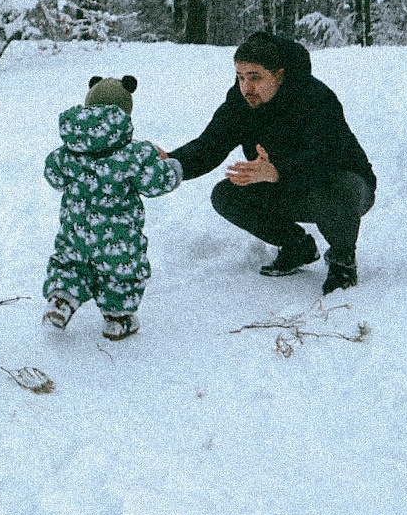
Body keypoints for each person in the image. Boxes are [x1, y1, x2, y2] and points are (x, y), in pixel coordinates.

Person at [167, 32, 376, 294]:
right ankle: (297, 246)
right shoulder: (241, 103)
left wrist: (278, 170)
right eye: (241, 77)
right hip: (284, 184)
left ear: (279, 75)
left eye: (255, 77)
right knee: (227, 195)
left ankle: (342, 260)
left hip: (343, 187)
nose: (247, 87)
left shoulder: (316, 98)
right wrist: (171, 163)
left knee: (337, 187)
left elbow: (326, 156)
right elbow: (210, 145)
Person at [42, 75, 183, 340]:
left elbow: (53, 175)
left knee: (71, 264)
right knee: (121, 271)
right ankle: (117, 319)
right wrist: (173, 168)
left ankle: (61, 300)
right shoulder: (136, 153)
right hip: (118, 237)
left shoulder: (67, 151)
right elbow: (156, 182)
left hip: (76, 231)